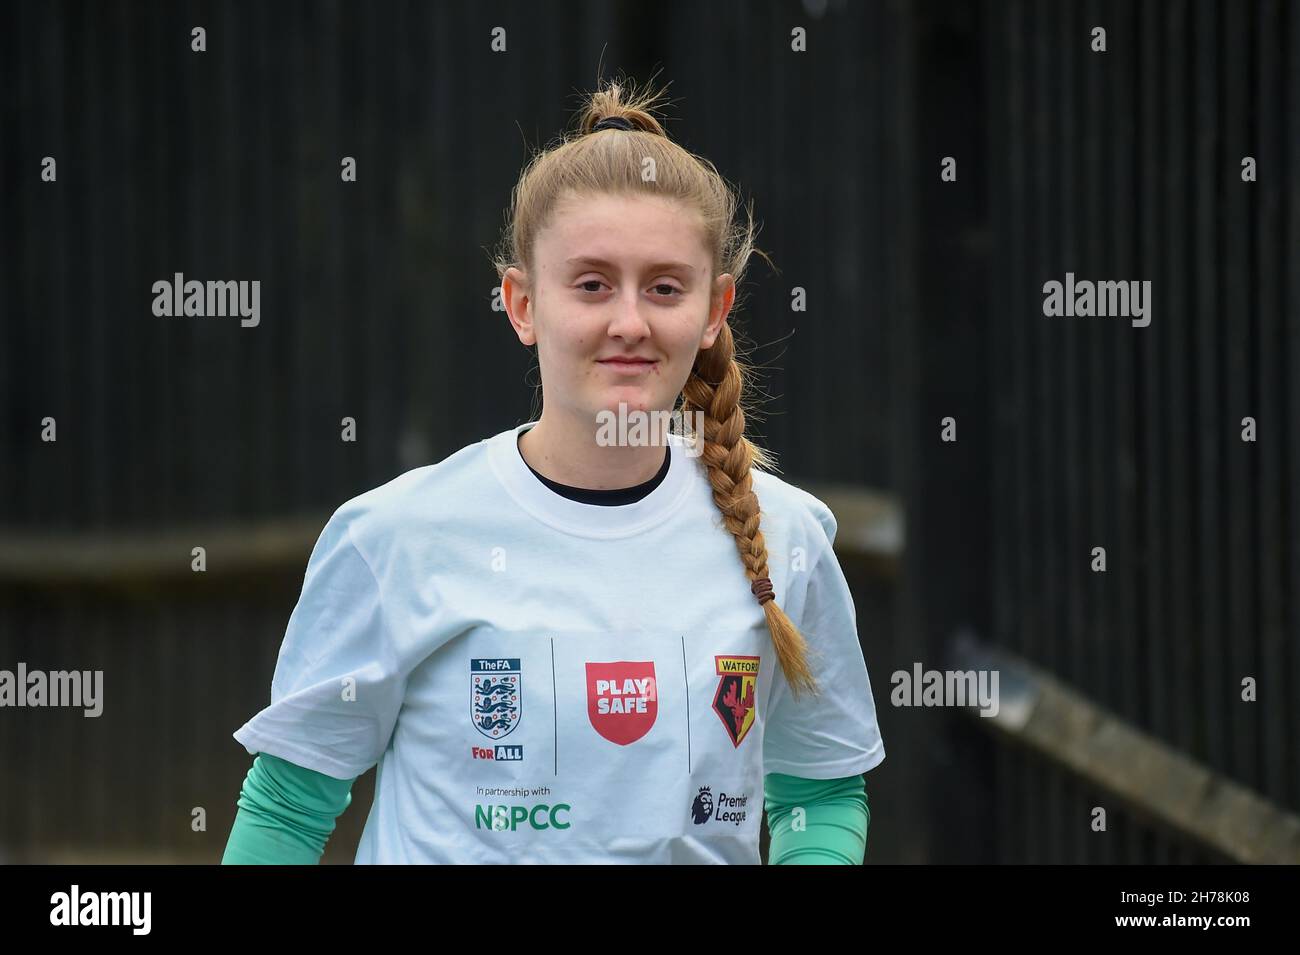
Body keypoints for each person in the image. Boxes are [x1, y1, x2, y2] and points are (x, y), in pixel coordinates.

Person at [222, 78, 885, 865]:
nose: (630, 322)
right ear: (522, 304)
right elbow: (291, 808)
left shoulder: (787, 538)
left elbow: (818, 793)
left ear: (714, 309)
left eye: (665, 287)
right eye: (593, 283)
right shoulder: (394, 536)